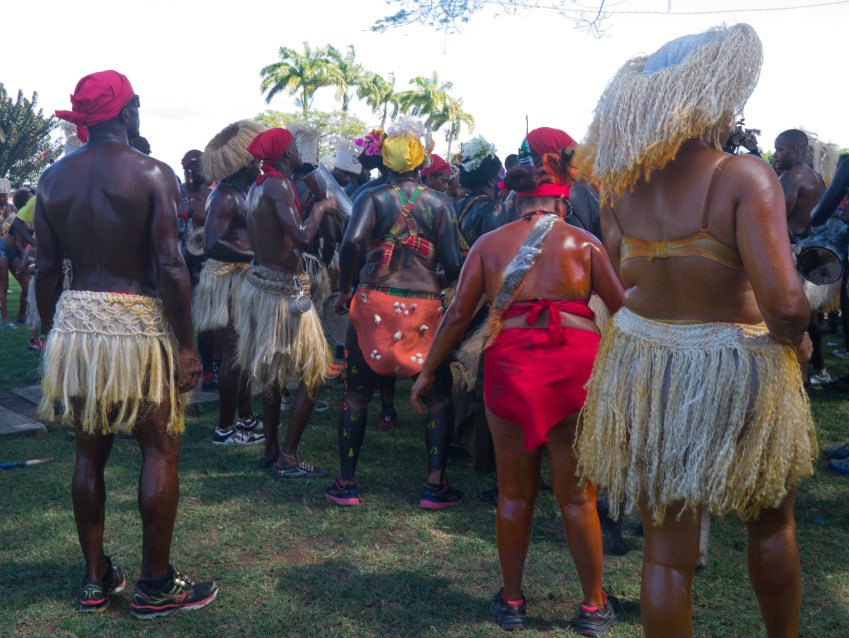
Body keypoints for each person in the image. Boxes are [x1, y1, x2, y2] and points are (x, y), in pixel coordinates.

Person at [574, 25, 816, 637]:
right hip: (737, 369)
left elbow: (625, 276)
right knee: (770, 525)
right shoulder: (744, 177)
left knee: (667, 549)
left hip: (648, 366)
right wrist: (803, 334)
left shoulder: (622, 184)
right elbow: (785, 305)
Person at [411, 151, 625, 632]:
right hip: (576, 369)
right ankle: (593, 606)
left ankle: (511, 603)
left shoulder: (489, 244)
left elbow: (458, 316)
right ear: (561, 205)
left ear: (514, 200)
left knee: (514, 494)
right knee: (577, 498)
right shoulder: (585, 242)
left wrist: (429, 369)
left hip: (510, 366)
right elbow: (623, 312)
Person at [36, 70, 217, 618]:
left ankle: (95, 581)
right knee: (159, 448)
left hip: (80, 325)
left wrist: (52, 335)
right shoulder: (151, 174)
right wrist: (187, 347)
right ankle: (155, 583)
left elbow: (44, 268)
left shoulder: (51, 179)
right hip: (136, 324)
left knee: (89, 452)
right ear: (129, 111)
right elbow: (169, 265)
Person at [325, 118, 463, 508]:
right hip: (424, 308)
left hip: (373, 303)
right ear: (421, 165)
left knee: (355, 397)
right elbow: (453, 263)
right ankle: (434, 487)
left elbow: (352, 241)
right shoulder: (441, 203)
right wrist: (441, 279)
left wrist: (347, 287)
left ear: (385, 165)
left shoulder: (371, 198)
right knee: (437, 398)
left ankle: (346, 485)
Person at [241, 127, 337, 477]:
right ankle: (288, 457)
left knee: (273, 374)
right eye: (295, 147)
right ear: (285, 153)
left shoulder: (257, 186)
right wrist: (324, 207)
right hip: (284, 292)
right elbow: (302, 235)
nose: (299, 151)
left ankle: (269, 450)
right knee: (314, 373)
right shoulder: (278, 185)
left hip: (265, 287)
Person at [194, 120, 266, 446]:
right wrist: (254, 254)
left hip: (240, 279)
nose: (259, 164)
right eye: (255, 160)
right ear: (242, 164)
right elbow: (211, 243)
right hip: (228, 282)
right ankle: (225, 428)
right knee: (233, 355)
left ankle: (246, 416)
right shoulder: (225, 195)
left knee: (244, 353)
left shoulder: (239, 191)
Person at [775, 128, 830, 385]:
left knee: (794, 320)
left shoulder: (790, 178)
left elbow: (773, 220)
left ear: (796, 150)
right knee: (810, 319)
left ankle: (800, 380)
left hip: (793, 257)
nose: (776, 155)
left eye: (780, 149)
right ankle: (819, 370)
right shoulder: (815, 176)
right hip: (812, 256)